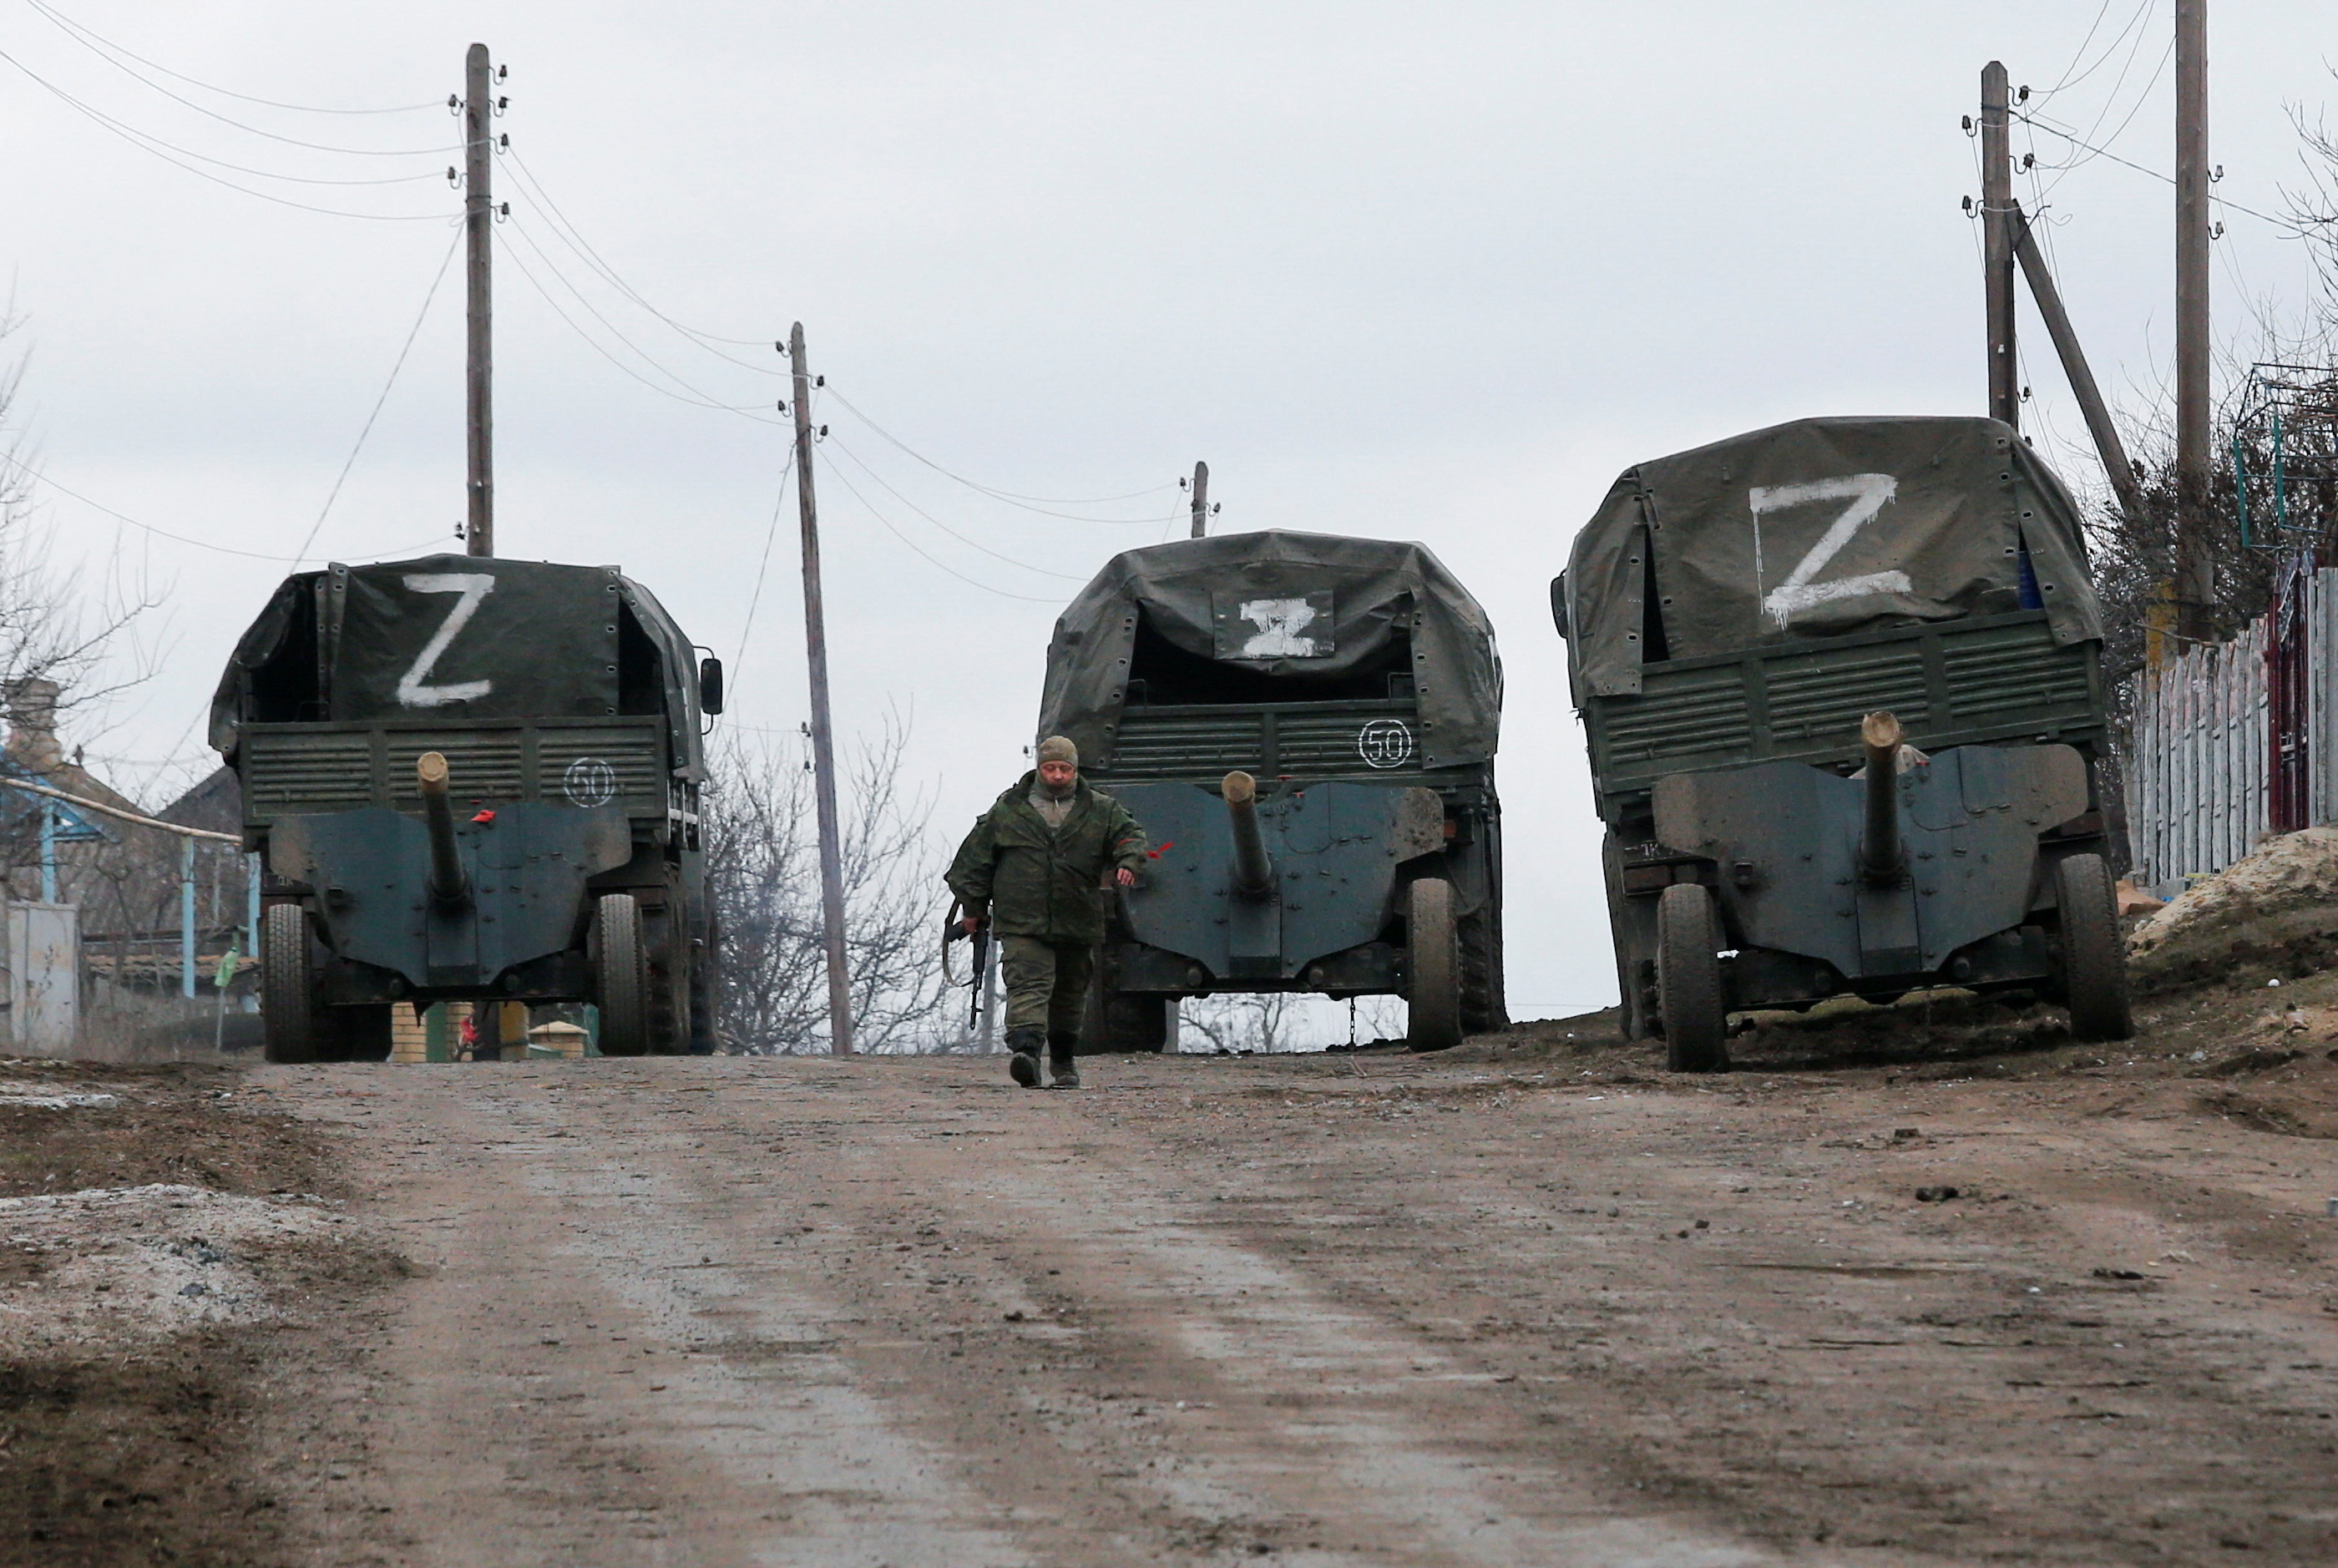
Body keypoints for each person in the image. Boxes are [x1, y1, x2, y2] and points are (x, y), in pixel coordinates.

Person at [946, 736, 1146, 1089]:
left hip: (1078, 917)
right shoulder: (1009, 809)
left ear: (1074, 770)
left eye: (1064, 769)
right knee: (1028, 982)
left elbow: (1129, 836)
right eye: (1050, 768)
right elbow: (973, 862)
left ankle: (1064, 1061)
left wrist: (1128, 861)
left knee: (1071, 991)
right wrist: (973, 909)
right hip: (1022, 918)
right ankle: (1026, 1053)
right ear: (1039, 768)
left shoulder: (1101, 809)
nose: (1057, 775)